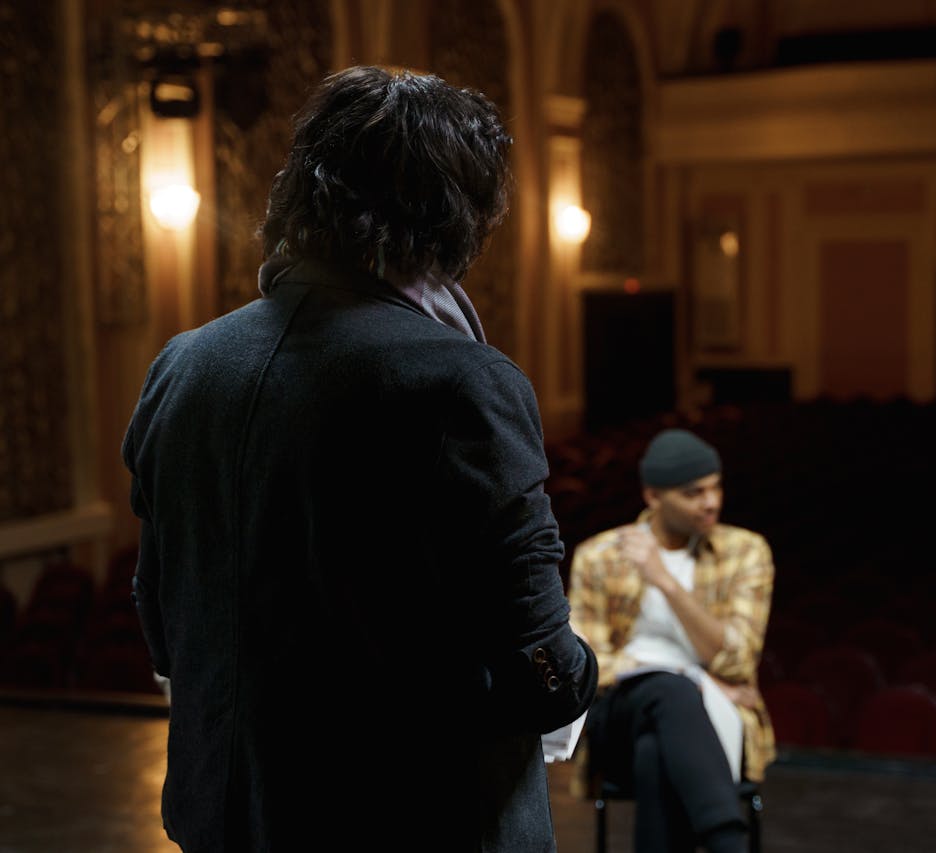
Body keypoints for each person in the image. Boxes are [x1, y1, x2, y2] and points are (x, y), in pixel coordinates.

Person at [123, 66, 597, 852]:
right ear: (458, 219)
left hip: (229, 817)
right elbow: (539, 667)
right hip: (413, 821)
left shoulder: (182, 364)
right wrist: (583, 671)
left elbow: (164, 625)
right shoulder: (464, 381)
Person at [569, 429, 775, 853]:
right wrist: (691, 677)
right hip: (622, 713)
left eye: (716, 487)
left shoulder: (746, 551)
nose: (712, 502)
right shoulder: (601, 555)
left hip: (713, 718)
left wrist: (666, 583)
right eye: (693, 492)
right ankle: (727, 841)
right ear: (653, 496)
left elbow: (738, 661)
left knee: (656, 753)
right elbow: (585, 666)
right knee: (670, 689)